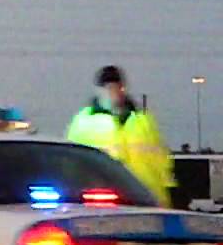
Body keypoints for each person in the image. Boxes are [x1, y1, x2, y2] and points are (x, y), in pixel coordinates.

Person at [67, 66, 176, 207]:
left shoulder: (143, 120)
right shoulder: (83, 122)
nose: (114, 92)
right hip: (102, 202)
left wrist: (169, 192)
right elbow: (71, 165)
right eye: (108, 87)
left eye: (117, 86)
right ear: (99, 90)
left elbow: (162, 162)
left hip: (146, 201)